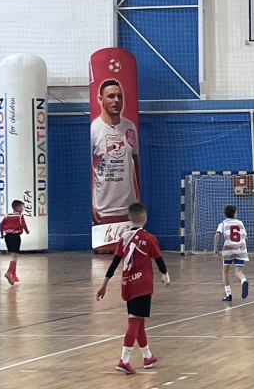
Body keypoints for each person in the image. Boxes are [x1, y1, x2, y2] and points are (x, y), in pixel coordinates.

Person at [96, 202, 170, 375]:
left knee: (138, 321)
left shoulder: (124, 238)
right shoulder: (149, 238)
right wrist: (165, 274)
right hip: (142, 285)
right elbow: (159, 259)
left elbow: (114, 263)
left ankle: (147, 356)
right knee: (135, 321)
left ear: (130, 218)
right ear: (145, 218)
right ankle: (124, 360)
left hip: (127, 284)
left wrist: (104, 284)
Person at [91, 79, 140, 225]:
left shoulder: (130, 128)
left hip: (129, 210)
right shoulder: (94, 129)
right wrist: (90, 204)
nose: (116, 100)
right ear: (101, 99)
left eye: (119, 96)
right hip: (102, 211)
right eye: (111, 96)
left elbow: (137, 163)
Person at [214, 205, 249, 302]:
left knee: (225, 271)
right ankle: (243, 280)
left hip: (228, 249)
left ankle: (228, 294)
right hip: (240, 249)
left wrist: (215, 249)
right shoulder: (240, 223)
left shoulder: (223, 223)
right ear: (234, 214)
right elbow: (245, 237)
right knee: (238, 272)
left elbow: (217, 235)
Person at [0, 200, 29, 285]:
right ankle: (9, 272)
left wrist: (2, 234)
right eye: (22, 207)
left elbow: (1, 225)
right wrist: (27, 231)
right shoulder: (20, 216)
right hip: (15, 236)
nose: (23, 208)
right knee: (15, 256)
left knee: (13, 255)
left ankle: (14, 275)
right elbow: (23, 224)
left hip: (7, 237)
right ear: (18, 207)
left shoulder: (7, 215)